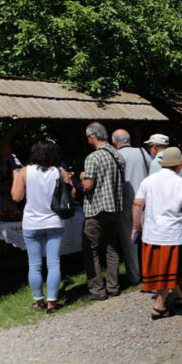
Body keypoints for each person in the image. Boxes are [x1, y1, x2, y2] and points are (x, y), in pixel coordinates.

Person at [131, 147, 182, 320]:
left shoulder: (148, 181)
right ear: (179, 165)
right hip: (172, 233)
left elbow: (137, 204)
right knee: (169, 270)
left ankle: (179, 297)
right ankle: (159, 306)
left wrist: (135, 227)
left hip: (152, 232)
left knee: (164, 269)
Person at [11, 140, 74, 313]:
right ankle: (52, 302)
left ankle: (39, 301)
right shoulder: (59, 171)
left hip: (32, 222)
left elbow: (16, 197)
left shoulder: (25, 171)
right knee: (54, 263)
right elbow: (72, 193)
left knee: (35, 264)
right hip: (54, 221)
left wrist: (16, 176)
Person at [80, 122, 124, 302]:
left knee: (91, 250)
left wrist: (82, 177)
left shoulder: (93, 158)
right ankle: (113, 286)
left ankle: (97, 290)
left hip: (96, 209)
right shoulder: (117, 155)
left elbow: (87, 186)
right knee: (112, 248)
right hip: (114, 208)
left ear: (92, 137)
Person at [112, 129, 150, 285]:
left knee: (130, 243)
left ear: (115, 142)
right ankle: (150, 272)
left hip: (126, 203)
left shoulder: (116, 156)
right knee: (148, 239)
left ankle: (135, 276)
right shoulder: (142, 152)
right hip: (145, 202)